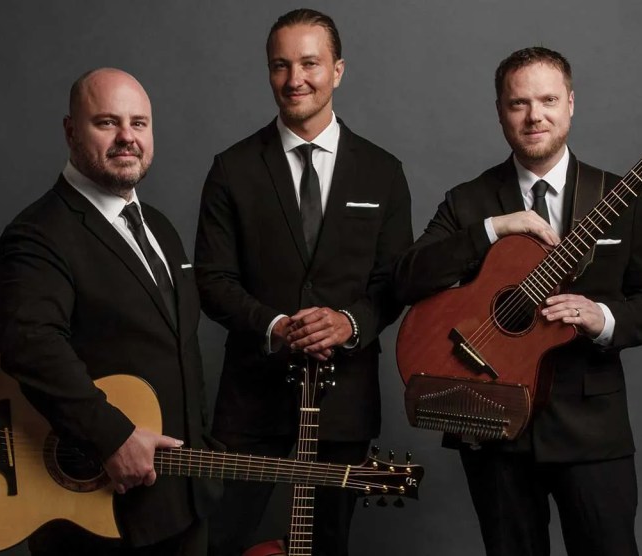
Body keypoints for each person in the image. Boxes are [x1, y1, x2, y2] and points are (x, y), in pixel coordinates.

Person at [394, 47, 642, 556]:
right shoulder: (470, 201)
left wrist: (604, 318)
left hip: (592, 430)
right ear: (501, 110)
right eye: (518, 103)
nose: (535, 116)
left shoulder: (619, 195)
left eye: (548, 100)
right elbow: (407, 278)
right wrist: (492, 229)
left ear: (571, 103)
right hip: (491, 419)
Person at [194, 8, 413, 556]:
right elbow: (213, 280)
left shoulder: (383, 171)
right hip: (251, 396)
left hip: (344, 402)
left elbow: (395, 280)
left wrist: (348, 322)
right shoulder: (232, 168)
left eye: (310, 63)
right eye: (280, 65)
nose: (295, 79)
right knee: (221, 540)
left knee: (326, 545)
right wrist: (273, 326)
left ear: (337, 70)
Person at [0, 68, 219, 555]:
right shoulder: (38, 233)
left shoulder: (159, 226)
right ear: (71, 131)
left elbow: (179, 350)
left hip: (181, 502)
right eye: (107, 123)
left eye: (139, 123)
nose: (127, 138)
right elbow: (31, 345)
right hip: (95, 508)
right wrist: (113, 437)